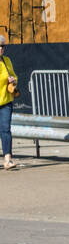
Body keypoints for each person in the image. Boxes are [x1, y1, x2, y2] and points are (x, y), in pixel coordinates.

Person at [0, 33, 17, 170]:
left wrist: (13, 80)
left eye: (2, 46)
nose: (0, 49)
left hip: (6, 102)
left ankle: (8, 160)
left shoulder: (7, 60)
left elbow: (14, 75)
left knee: (6, 130)